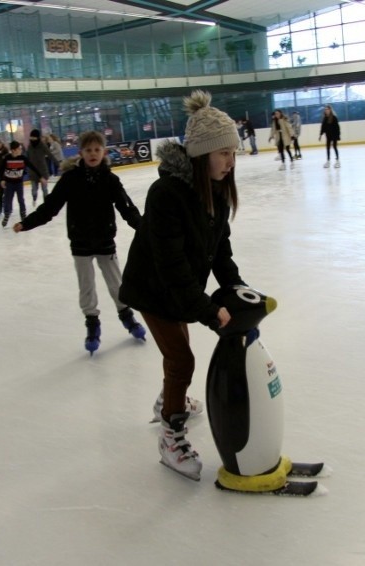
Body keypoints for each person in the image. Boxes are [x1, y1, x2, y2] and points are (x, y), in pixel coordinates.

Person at [119, 90, 245, 481]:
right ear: (201, 153)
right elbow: (171, 267)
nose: (230, 161)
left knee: (180, 359)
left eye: (233, 152)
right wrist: (208, 310)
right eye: (223, 152)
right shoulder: (167, 194)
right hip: (154, 290)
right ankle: (171, 435)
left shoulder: (217, 192)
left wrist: (237, 287)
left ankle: (166, 401)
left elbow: (219, 250)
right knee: (181, 359)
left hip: (178, 288)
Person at [13, 131, 145, 354]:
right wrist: (27, 223)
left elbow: (127, 208)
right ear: (80, 153)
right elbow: (50, 208)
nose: (93, 154)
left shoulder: (110, 180)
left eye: (97, 150)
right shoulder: (70, 179)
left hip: (105, 241)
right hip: (80, 242)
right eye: (88, 150)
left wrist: (144, 228)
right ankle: (92, 324)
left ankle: (127, 317)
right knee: (86, 287)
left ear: (103, 152)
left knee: (117, 284)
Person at [0, 140, 43, 228]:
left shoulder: (23, 158)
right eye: (19, 149)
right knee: (8, 200)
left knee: (21, 199)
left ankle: (23, 215)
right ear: (13, 150)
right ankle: (7, 215)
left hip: (18, 183)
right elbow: (0, 170)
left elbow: (32, 166)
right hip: (9, 183)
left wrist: (40, 176)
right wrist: (2, 180)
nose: (20, 150)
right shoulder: (7, 158)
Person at [25, 129, 52, 205]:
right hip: (33, 172)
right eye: (31, 137)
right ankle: (34, 198)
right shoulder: (29, 147)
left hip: (43, 171)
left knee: (44, 189)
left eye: (34, 137)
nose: (32, 139)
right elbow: (27, 158)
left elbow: (49, 155)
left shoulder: (43, 146)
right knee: (34, 190)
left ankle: (46, 204)